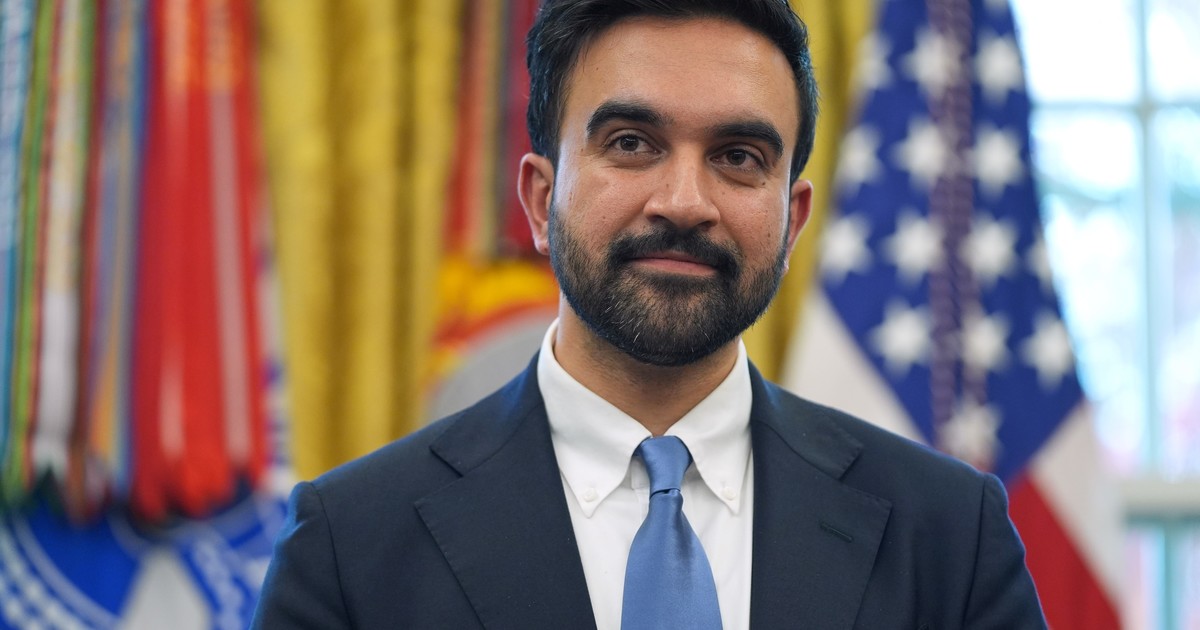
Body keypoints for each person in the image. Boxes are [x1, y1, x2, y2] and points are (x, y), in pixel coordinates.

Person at [253, 0, 1047, 628]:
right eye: (632, 143)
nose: (684, 201)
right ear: (539, 200)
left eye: (738, 157)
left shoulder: (950, 536)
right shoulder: (350, 543)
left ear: (793, 221)